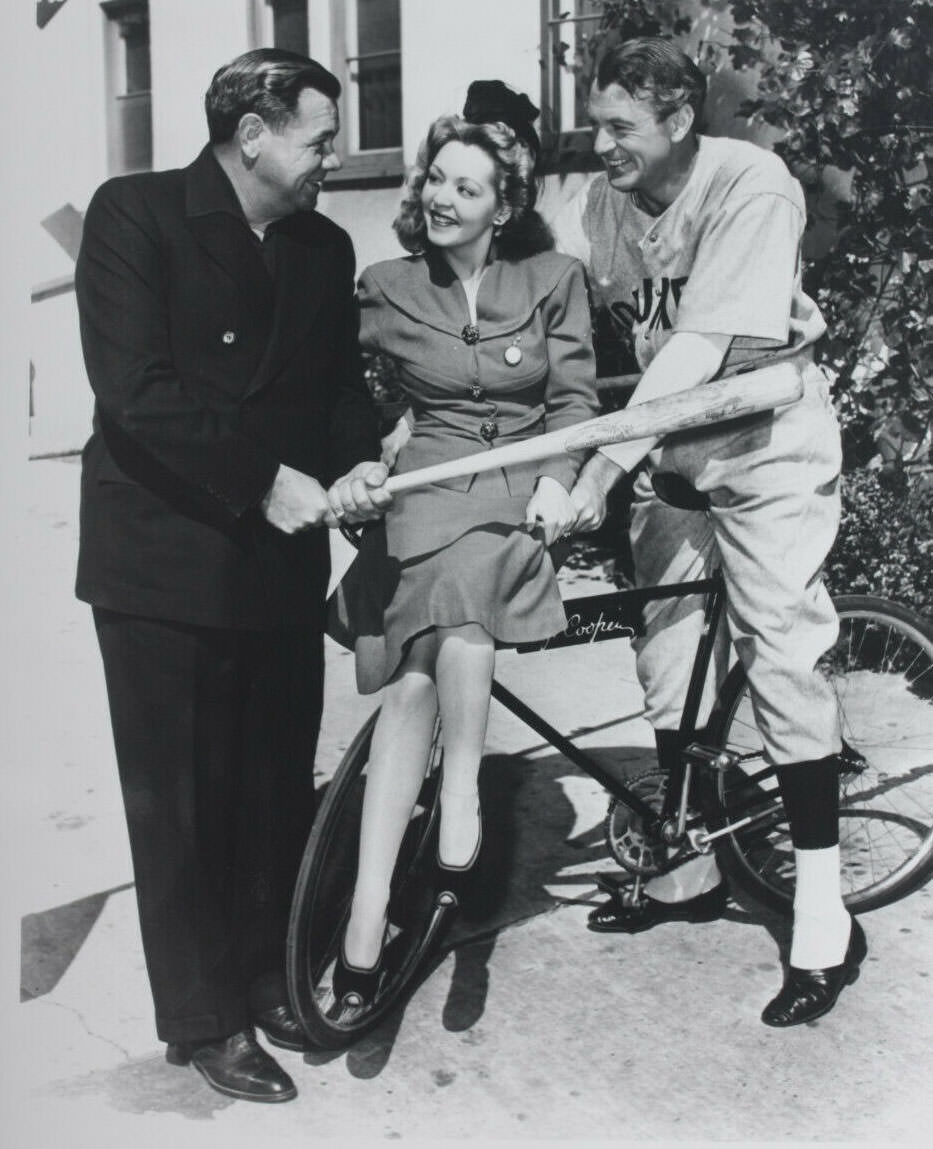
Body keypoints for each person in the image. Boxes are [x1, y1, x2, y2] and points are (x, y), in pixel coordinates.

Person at [74, 49, 389, 1102]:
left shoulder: (320, 246)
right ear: (252, 134)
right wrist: (263, 482)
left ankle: (265, 973)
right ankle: (205, 1018)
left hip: (276, 564)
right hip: (162, 565)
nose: (333, 158)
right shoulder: (136, 217)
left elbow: (337, 389)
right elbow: (137, 393)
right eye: (319, 139)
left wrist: (358, 464)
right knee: (181, 808)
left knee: (269, 790)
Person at [554, 38, 865, 1027]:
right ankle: (686, 866)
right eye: (595, 124)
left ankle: (823, 914)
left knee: (779, 649)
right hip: (677, 448)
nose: (601, 144)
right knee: (667, 650)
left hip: (765, 444)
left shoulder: (752, 184)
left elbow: (698, 346)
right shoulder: (605, 202)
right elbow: (602, 329)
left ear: (679, 119)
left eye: (620, 127)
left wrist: (600, 470)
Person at [325, 84, 599, 1003]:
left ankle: (458, 797)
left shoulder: (552, 279)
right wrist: (357, 458)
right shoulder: (385, 286)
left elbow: (573, 401)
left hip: (518, 490)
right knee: (415, 675)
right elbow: (328, 384)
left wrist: (559, 480)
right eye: (435, 178)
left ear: (503, 206)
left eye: (466, 187)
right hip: (428, 486)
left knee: (455, 609)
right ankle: (372, 905)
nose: (441, 197)